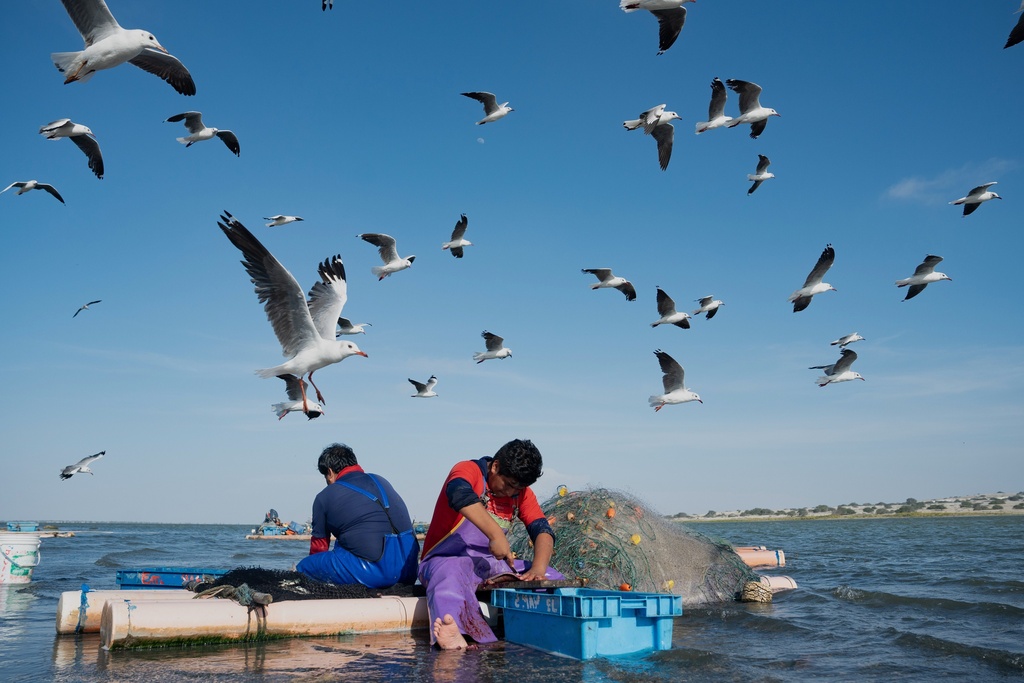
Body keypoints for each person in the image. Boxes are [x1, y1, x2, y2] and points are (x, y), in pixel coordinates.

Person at [418, 438, 562, 649]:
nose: (512, 492)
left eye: (519, 488)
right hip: (444, 560)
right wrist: (496, 534)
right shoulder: (468, 470)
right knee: (450, 574)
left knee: (552, 577)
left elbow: (542, 530)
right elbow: (457, 493)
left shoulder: (521, 494)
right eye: (510, 485)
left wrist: (538, 570)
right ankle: (458, 634)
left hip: (489, 564)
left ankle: (554, 630)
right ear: (495, 467)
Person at [295, 443, 419, 589]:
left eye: (325, 476)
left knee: (305, 567)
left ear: (330, 472)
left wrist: (315, 570)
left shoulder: (324, 497)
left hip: (373, 574)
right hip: (409, 570)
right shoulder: (381, 480)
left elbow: (319, 548)